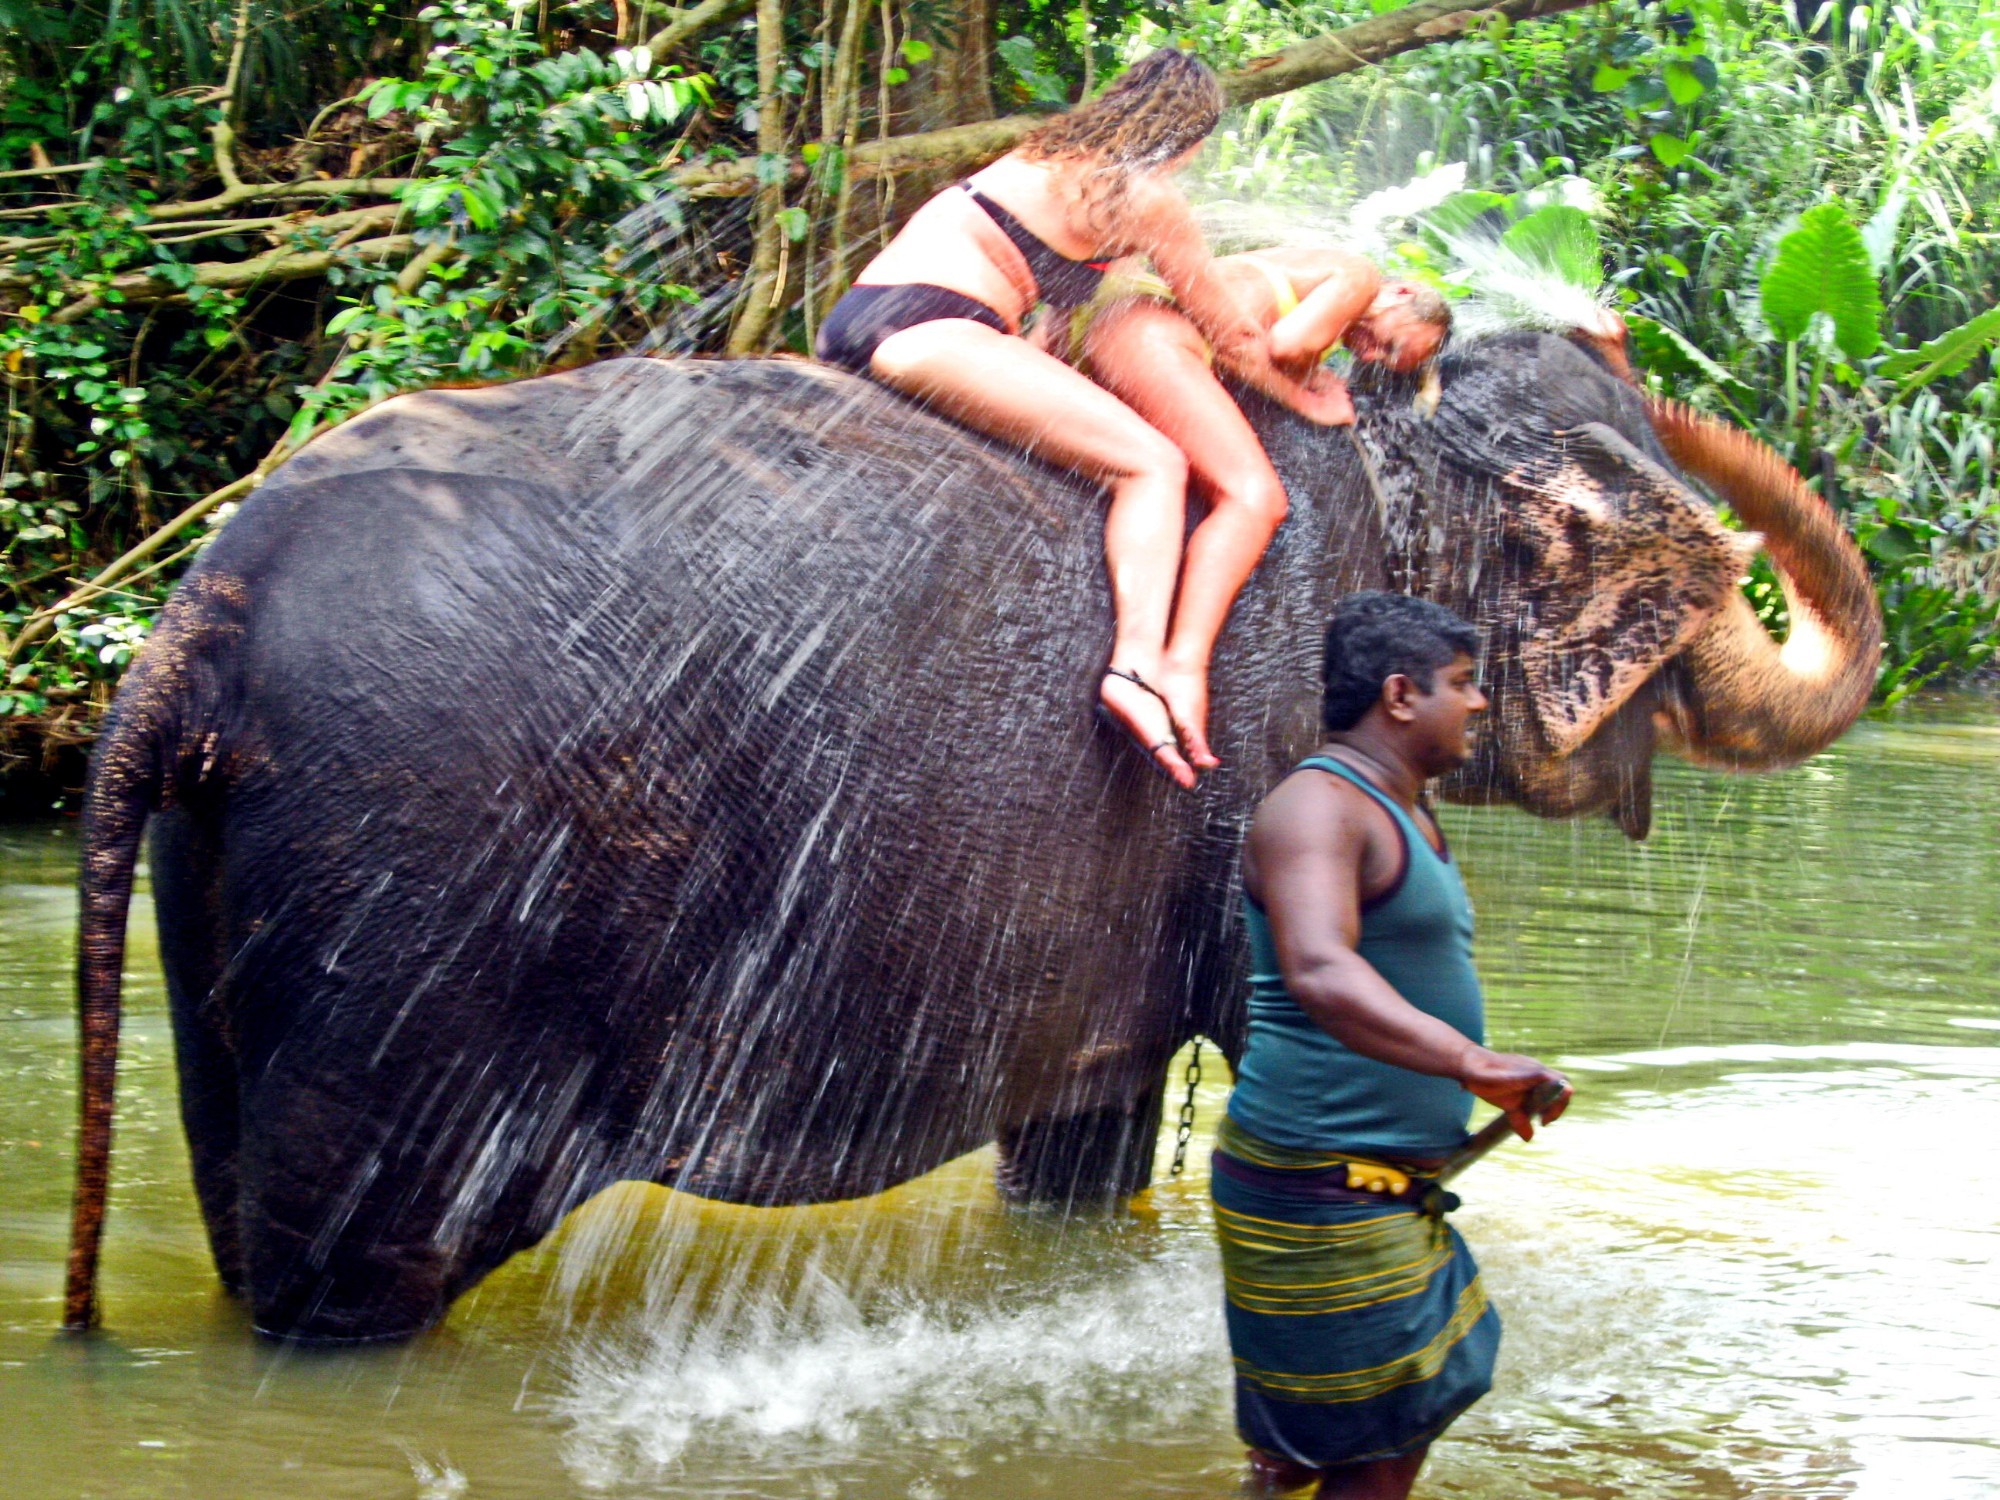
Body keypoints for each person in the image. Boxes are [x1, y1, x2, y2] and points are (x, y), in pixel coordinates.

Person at [814, 48, 1350, 788]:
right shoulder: (1148, 199)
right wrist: (1309, 395)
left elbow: (1048, 334)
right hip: (936, 327)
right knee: (1152, 464)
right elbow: (1233, 335)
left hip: (866, 314)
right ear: (1189, 139)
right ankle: (1134, 667)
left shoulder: (1041, 157)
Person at [1215, 591, 1571, 1499]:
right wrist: (1472, 1062)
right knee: (1375, 1457)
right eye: (1464, 683)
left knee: (1304, 1452)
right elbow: (1322, 972)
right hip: (1321, 1183)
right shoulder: (1317, 810)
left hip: (1381, 1183)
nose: (1480, 703)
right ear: (1401, 694)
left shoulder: (1401, 807)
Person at [1071, 250, 1452, 772]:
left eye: (1386, 363)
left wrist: (1312, 375)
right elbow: (1284, 343)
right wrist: (1308, 399)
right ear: (1400, 293)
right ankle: (1183, 664)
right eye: (1389, 344)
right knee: (1257, 498)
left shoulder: (1308, 269)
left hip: (1137, 335)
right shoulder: (1359, 274)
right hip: (1152, 342)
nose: (1370, 359)